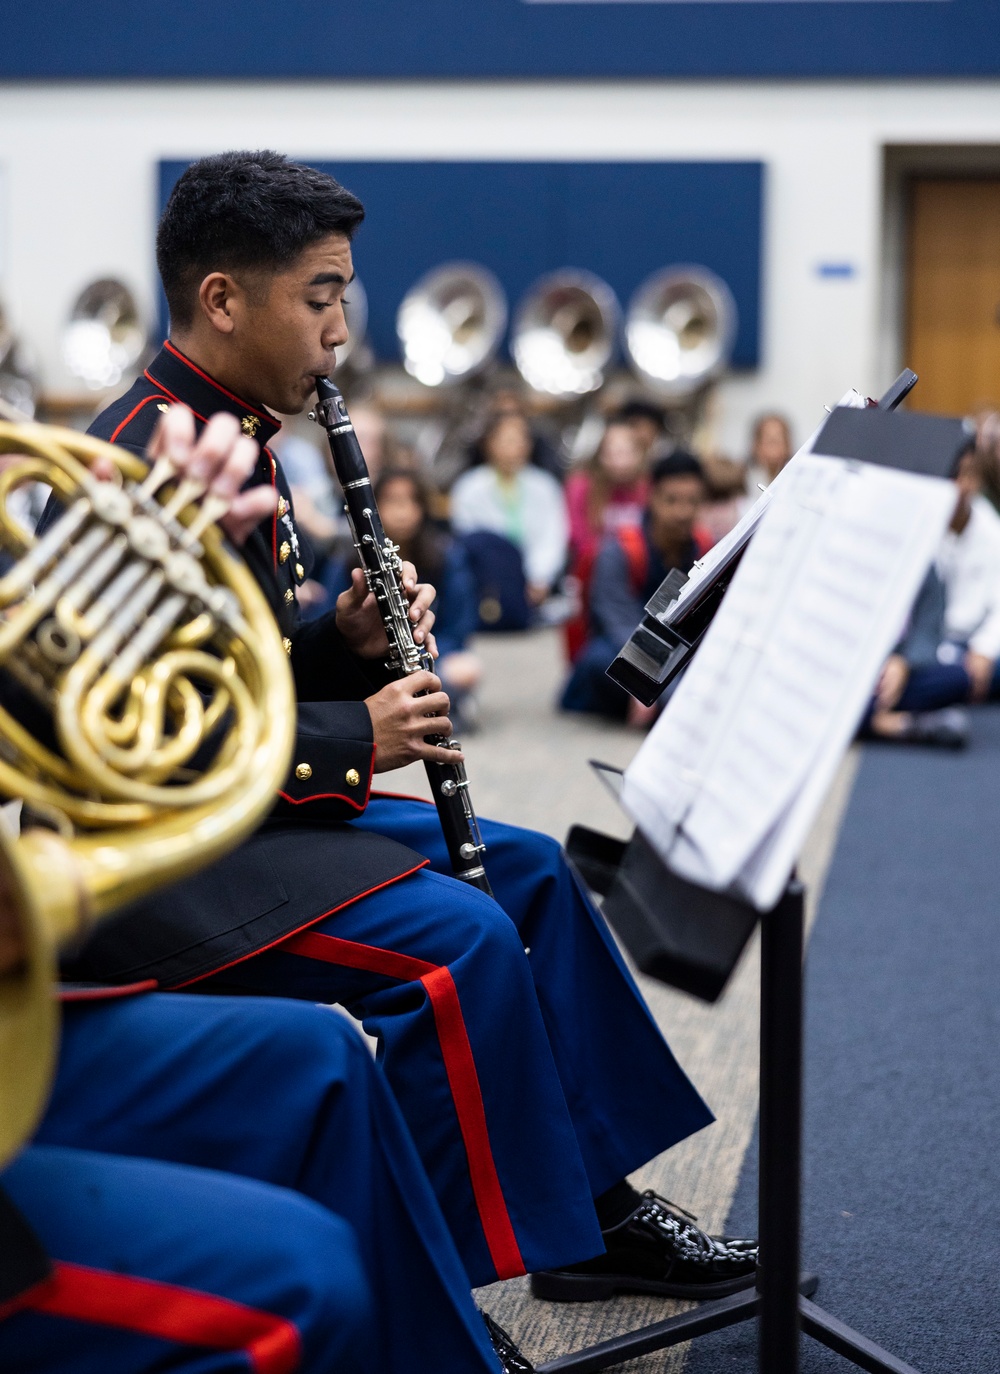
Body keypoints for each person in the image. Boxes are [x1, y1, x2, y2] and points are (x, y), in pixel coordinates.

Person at [53, 151, 757, 1306]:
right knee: (460, 946)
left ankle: (591, 1212)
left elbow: (236, 673)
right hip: (156, 865)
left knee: (530, 872)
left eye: (343, 299)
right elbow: (134, 744)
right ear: (224, 299)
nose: (339, 333)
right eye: (320, 297)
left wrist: (343, 643)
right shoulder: (143, 459)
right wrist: (354, 741)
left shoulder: (230, 429)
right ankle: (425, 1304)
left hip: (243, 814)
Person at [0, 413, 510, 1374]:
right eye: (322, 297)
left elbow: (41, 728)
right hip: (173, 880)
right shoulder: (141, 427)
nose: (339, 330)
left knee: (317, 1059)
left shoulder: (214, 448)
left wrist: (117, 608)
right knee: (301, 1278)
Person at [326, 468, 484, 728]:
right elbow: (326, 619)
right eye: (392, 501)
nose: (402, 511)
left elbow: (459, 630)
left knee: (467, 669)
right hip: (369, 664)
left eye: (411, 501)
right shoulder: (348, 561)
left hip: (432, 658)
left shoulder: (446, 556)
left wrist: (420, 657)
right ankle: (432, 706)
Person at [561, 452, 711, 725]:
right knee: (602, 662)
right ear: (652, 498)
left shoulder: (706, 550)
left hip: (676, 655)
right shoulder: (619, 550)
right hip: (624, 649)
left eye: (692, 501)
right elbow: (619, 624)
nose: (683, 512)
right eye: (672, 500)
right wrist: (648, 681)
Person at [867, 447, 1000, 745]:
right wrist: (902, 658)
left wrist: (984, 649)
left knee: (969, 672)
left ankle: (878, 715)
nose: (961, 486)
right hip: (924, 647)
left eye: (968, 476)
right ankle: (888, 721)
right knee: (886, 678)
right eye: (954, 476)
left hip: (969, 645)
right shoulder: (918, 526)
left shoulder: (993, 531)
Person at [451, 411, 569, 619]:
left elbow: (553, 536)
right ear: (489, 443)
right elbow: (469, 539)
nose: (512, 448)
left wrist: (539, 578)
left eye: (519, 440)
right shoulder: (468, 488)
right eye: (505, 440)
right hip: (486, 587)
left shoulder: (545, 486)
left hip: (536, 590)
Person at [564, 420, 649, 661]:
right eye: (611, 452)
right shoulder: (581, 486)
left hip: (635, 576)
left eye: (625, 452)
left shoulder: (647, 488)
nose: (618, 460)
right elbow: (577, 535)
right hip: (589, 573)